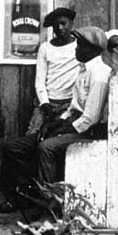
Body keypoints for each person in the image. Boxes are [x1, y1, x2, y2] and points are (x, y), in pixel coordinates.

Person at [0, 26, 118, 213]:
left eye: (80, 46)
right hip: (72, 124)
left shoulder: (99, 74)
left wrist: (61, 129)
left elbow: (90, 118)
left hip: (86, 133)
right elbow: (72, 109)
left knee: (46, 148)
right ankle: (27, 194)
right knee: (11, 147)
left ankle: (52, 206)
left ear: (93, 50)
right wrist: (54, 124)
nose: (75, 49)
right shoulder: (84, 70)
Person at [24, 7, 81, 139]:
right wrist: (45, 104)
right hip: (48, 103)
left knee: (60, 138)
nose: (60, 28)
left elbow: (109, 35)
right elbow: (40, 81)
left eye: (63, 23)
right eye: (56, 25)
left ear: (71, 24)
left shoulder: (79, 46)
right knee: (33, 136)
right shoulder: (45, 48)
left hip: (70, 104)